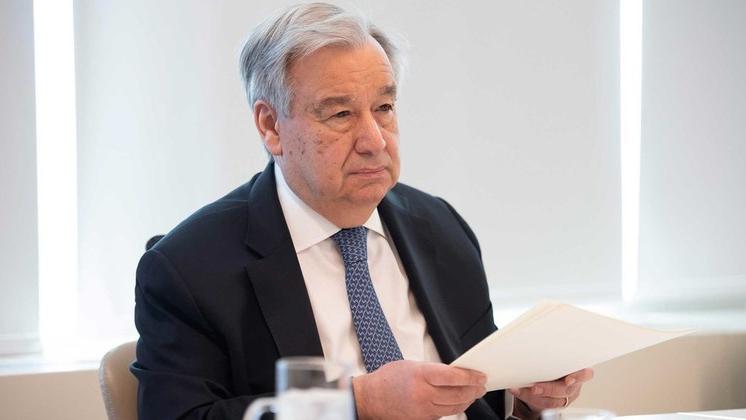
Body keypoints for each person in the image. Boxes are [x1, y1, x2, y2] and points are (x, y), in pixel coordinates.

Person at [130, 3, 593, 419]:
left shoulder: (440, 227)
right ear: (271, 126)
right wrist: (358, 404)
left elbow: (480, 397)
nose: (374, 140)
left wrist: (526, 398)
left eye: (384, 107)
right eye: (340, 115)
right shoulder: (189, 269)